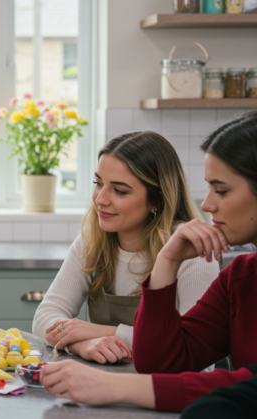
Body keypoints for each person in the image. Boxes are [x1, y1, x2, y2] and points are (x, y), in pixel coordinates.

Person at [39, 111, 257, 413]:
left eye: (221, 190)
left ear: (156, 200)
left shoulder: (210, 261)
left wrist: (107, 369)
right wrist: (166, 262)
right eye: (98, 183)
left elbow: (238, 385)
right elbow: (165, 360)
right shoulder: (240, 276)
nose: (206, 204)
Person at [32, 131, 219, 363]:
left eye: (119, 190)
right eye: (98, 183)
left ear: (157, 200)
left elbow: (191, 347)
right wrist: (83, 344)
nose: (100, 199)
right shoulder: (92, 240)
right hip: (108, 381)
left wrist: (106, 332)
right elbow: (44, 318)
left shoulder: (189, 250)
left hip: (175, 390)